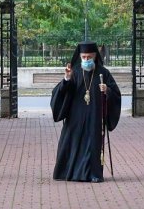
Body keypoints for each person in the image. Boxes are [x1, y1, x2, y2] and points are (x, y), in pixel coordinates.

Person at [52, 42, 123, 182]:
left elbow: (116, 94)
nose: (86, 60)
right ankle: (68, 172)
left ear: (95, 56)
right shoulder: (75, 71)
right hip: (75, 116)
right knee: (71, 142)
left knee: (92, 145)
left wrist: (107, 91)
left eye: (89, 57)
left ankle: (93, 174)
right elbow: (61, 92)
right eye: (83, 57)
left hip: (95, 116)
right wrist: (66, 79)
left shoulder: (103, 73)